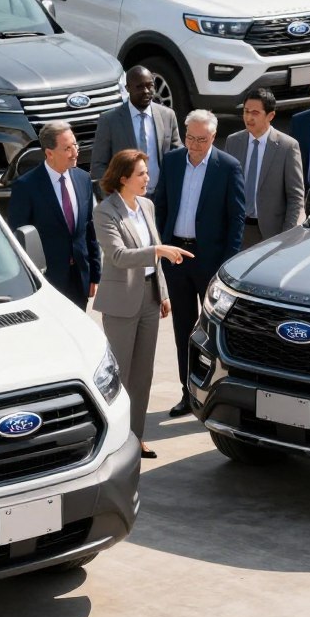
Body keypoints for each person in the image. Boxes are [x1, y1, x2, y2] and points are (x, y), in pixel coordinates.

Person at [93, 150, 193, 460]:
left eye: (147, 173)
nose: (147, 178)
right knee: (120, 377)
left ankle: (136, 438)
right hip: (121, 302)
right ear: (123, 178)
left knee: (143, 375)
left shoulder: (146, 206)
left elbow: (155, 262)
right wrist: (158, 250)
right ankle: (113, 440)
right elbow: (119, 256)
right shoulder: (106, 211)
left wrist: (162, 293)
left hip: (149, 298)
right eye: (141, 174)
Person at [155, 110, 245, 417]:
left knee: (213, 331)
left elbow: (236, 220)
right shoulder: (172, 162)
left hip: (210, 261)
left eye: (202, 140)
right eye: (190, 138)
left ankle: (216, 394)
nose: (194, 145)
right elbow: (161, 206)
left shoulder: (228, 167)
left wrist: (225, 267)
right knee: (182, 329)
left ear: (213, 137)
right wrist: (163, 247)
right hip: (176, 257)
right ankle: (187, 393)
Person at [8, 120, 100, 310]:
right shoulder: (26, 187)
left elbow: (89, 229)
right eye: (67, 148)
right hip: (47, 280)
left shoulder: (83, 180)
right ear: (49, 153)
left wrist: (95, 274)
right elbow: (17, 239)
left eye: (75, 144)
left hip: (79, 277)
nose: (75, 152)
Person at [224, 88, 304, 248]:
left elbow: (296, 197)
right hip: (237, 229)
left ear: (270, 116)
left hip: (270, 234)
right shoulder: (233, 142)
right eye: (246, 111)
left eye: (255, 113)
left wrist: (286, 236)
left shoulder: (287, 147)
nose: (248, 117)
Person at [90, 65, 182, 197]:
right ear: (127, 88)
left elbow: (177, 154)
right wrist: (111, 197)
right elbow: (98, 165)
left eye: (149, 85)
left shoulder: (167, 115)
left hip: (161, 196)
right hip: (126, 198)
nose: (146, 91)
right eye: (139, 87)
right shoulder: (110, 120)